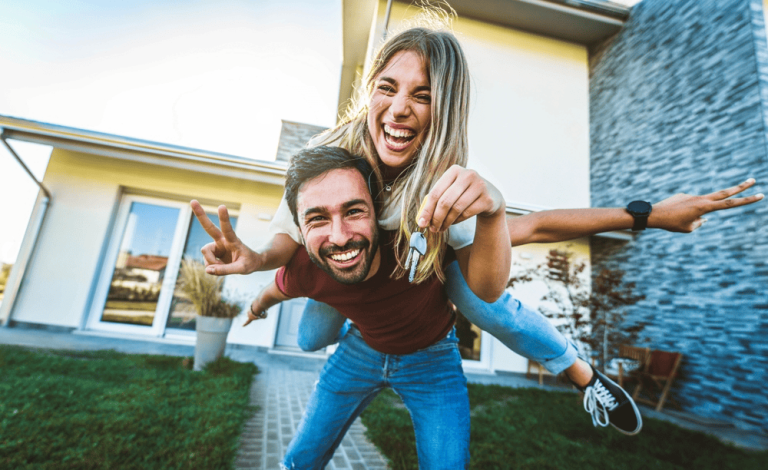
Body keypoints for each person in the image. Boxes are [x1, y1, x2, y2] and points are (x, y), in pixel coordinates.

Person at [191, 20, 763, 437]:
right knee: (312, 333)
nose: (399, 108)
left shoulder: (443, 184)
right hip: (349, 290)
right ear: (370, 91)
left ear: (445, 108)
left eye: (423, 95)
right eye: (387, 87)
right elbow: (287, 244)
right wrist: (256, 263)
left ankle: (584, 375)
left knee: (479, 296)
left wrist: (650, 214)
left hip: (427, 300)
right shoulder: (326, 158)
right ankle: (366, 314)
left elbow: (532, 227)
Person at [236, 145, 509, 468]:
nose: (339, 237)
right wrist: (255, 308)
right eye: (318, 218)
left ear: (378, 213)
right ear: (298, 229)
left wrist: (496, 209)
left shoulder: (423, 238)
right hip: (360, 351)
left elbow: (532, 228)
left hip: (432, 358)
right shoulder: (307, 266)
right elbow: (274, 291)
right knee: (300, 458)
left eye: (353, 211)